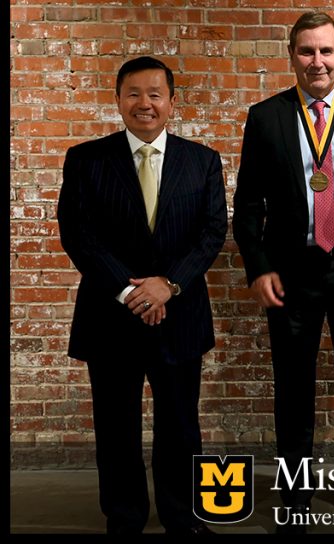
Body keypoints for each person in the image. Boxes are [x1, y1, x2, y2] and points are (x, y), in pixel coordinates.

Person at [232, 11, 334, 535]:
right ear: (292, 56)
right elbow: (247, 206)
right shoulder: (266, 118)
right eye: (307, 51)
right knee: (293, 389)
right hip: (292, 272)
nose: (317, 61)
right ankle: (296, 496)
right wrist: (258, 268)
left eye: (326, 51)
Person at [56, 56, 226, 534]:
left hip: (180, 312)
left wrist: (166, 284)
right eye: (133, 93)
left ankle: (182, 515)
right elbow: (78, 233)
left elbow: (212, 233)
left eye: (155, 94)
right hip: (111, 316)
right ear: (118, 99)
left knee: (180, 425)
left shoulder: (202, 160)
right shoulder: (87, 158)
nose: (144, 103)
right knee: (116, 427)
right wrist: (130, 290)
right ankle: (125, 517)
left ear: (172, 102)